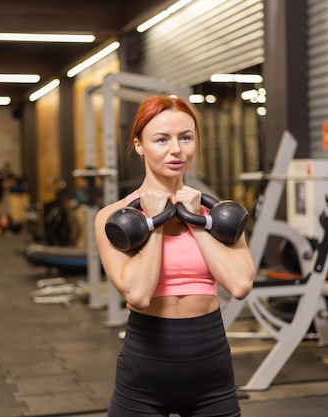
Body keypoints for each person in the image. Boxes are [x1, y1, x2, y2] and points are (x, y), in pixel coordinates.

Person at [94, 95, 255, 417]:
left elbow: (239, 285)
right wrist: (154, 221)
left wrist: (195, 221)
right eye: (161, 139)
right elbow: (138, 294)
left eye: (185, 137)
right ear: (139, 145)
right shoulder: (114, 219)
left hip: (211, 373)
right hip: (144, 373)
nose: (176, 150)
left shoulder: (219, 214)